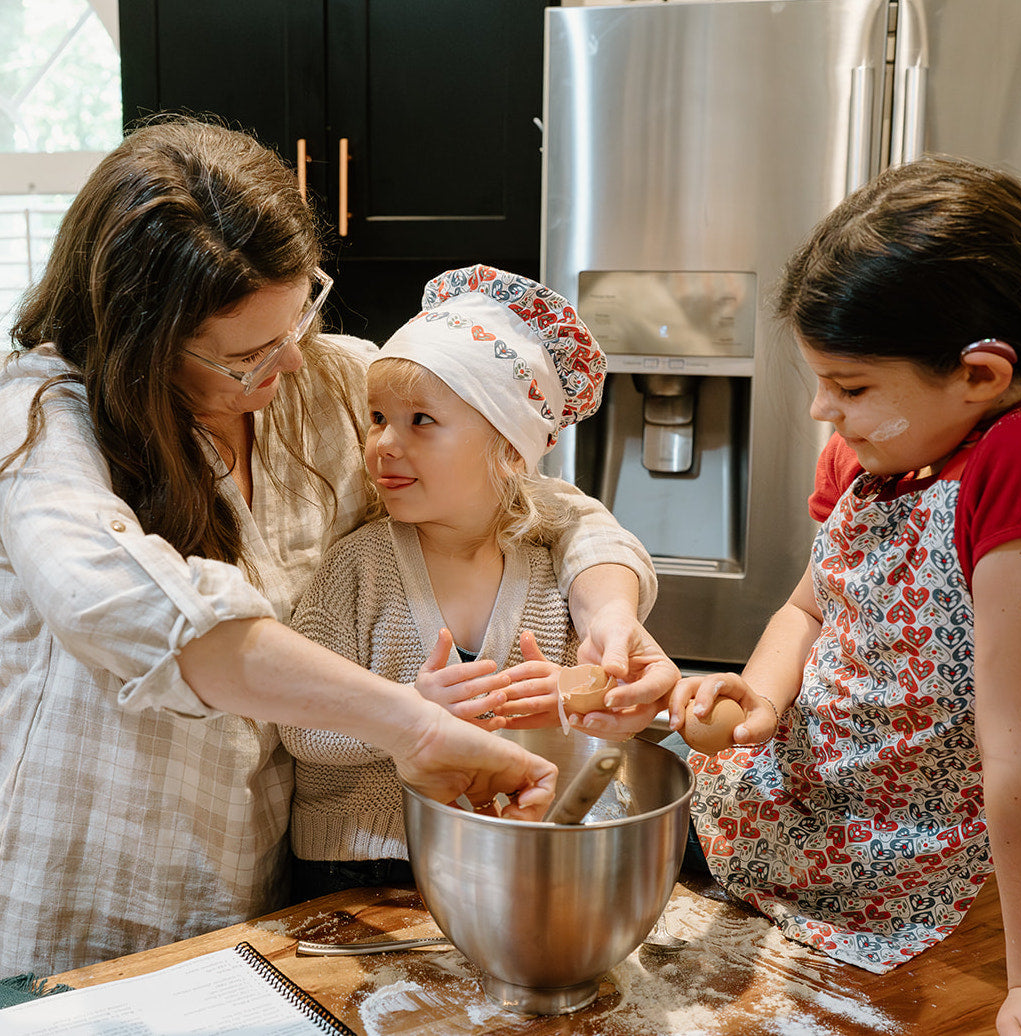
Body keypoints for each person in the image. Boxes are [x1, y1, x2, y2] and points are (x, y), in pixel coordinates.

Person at [0, 116, 667, 975]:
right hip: (86, 881)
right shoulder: (45, 417)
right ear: (145, 345)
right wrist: (412, 723)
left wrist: (611, 611)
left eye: (299, 318)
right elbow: (121, 604)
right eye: (245, 357)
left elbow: (544, 501)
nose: (285, 365)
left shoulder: (328, 381)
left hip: (253, 876)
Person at [663, 155, 1021, 1033]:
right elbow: (809, 607)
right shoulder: (871, 456)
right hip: (806, 794)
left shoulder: (1013, 468)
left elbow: (1018, 750)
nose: (821, 411)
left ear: (980, 374)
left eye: (852, 387)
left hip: (917, 850)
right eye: (820, 381)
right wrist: (757, 695)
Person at [279, 265, 678, 900]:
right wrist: (405, 716)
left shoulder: (550, 568)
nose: (383, 442)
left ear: (510, 450)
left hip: (513, 853)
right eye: (377, 417)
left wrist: (571, 700)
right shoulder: (356, 567)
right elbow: (299, 724)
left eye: (420, 421)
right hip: (361, 868)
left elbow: (608, 708)